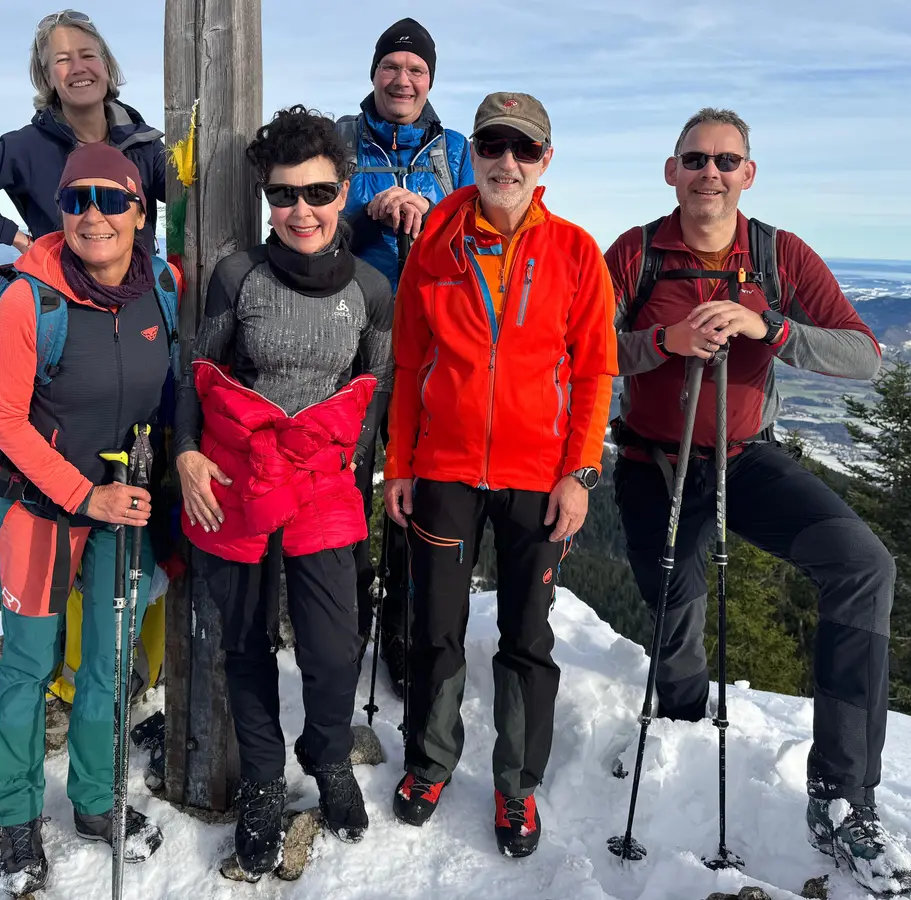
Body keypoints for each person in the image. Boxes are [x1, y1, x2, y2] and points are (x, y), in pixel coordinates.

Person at [601, 107, 911, 894]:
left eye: (726, 161)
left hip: (745, 458)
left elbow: (863, 356)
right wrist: (665, 343)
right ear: (671, 171)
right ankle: (680, 730)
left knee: (863, 567)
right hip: (654, 462)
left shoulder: (779, 256)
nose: (710, 173)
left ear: (748, 174)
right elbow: (587, 349)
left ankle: (844, 794)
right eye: (695, 159)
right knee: (677, 606)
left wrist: (769, 326)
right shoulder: (636, 253)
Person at [383, 92, 617, 859]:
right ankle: (429, 763)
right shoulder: (436, 246)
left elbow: (595, 372)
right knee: (435, 628)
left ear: (545, 161)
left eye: (524, 148)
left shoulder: (576, 252)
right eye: (492, 145)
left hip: (539, 476)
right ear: (473, 154)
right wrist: (399, 463)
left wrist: (580, 472)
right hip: (445, 468)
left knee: (527, 634)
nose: (506, 162)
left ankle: (517, 785)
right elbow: (409, 362)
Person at [173, 106, 393, 882]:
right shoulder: (239, 278)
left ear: (344, 191)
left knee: (334, 648)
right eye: (283, 194)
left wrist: (359, 473)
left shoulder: (370, 288)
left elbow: (373, 392)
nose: (301, 210)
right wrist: (186, 453)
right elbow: (196, 373)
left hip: (323, 481)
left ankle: (327, 756)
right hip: (236, 477)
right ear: (267, 197)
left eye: (319, 192)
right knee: (245, 642)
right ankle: (264, 782)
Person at [0, 143, 169, 896]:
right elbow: (3, 419)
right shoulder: (31, 300)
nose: (94, 215)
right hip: (43, 509)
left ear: (139, 211)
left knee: (109, 663)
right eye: (76, 199)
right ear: (59, 210)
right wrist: (85, 496)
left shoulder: (163, 288)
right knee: (29, 665)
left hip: (125, 508)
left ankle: (94, 801)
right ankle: (17, 816)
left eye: (112, 199)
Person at [338, 16, 474, 694]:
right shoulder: (340, 141)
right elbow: (305, 225)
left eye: (416, 70)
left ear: (430, 80)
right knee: (344, 486)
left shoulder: (457, 151)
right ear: (373, 74)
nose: (403, 79)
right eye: (391, 66)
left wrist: (432, 212)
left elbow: (482, 235)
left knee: (413, 491)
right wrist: (367, 214)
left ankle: (401, 630)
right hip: (350, 343)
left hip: (431, 347)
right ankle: (344, 624)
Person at [0, 9, 165, 254]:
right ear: (47, 78)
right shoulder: (24, 148)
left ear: (106, 66)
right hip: (57, 280)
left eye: (88, 55)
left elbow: (186, 196)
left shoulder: (144, 144)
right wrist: (16, 238)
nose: (78, 68)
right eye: (63, 60)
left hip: (142, 280)